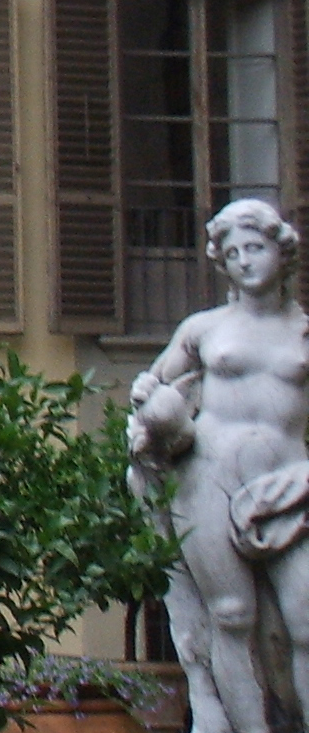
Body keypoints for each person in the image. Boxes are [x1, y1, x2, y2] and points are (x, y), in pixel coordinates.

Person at [130, 198, 309, 733]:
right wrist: (149, 400)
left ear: (281, 253)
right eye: (232, 254)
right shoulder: (202, 328)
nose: (244, 261)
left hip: (290, 482)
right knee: (230, 616)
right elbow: (155, 390)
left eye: (255, 248)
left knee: (306, 619)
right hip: (208, 475)